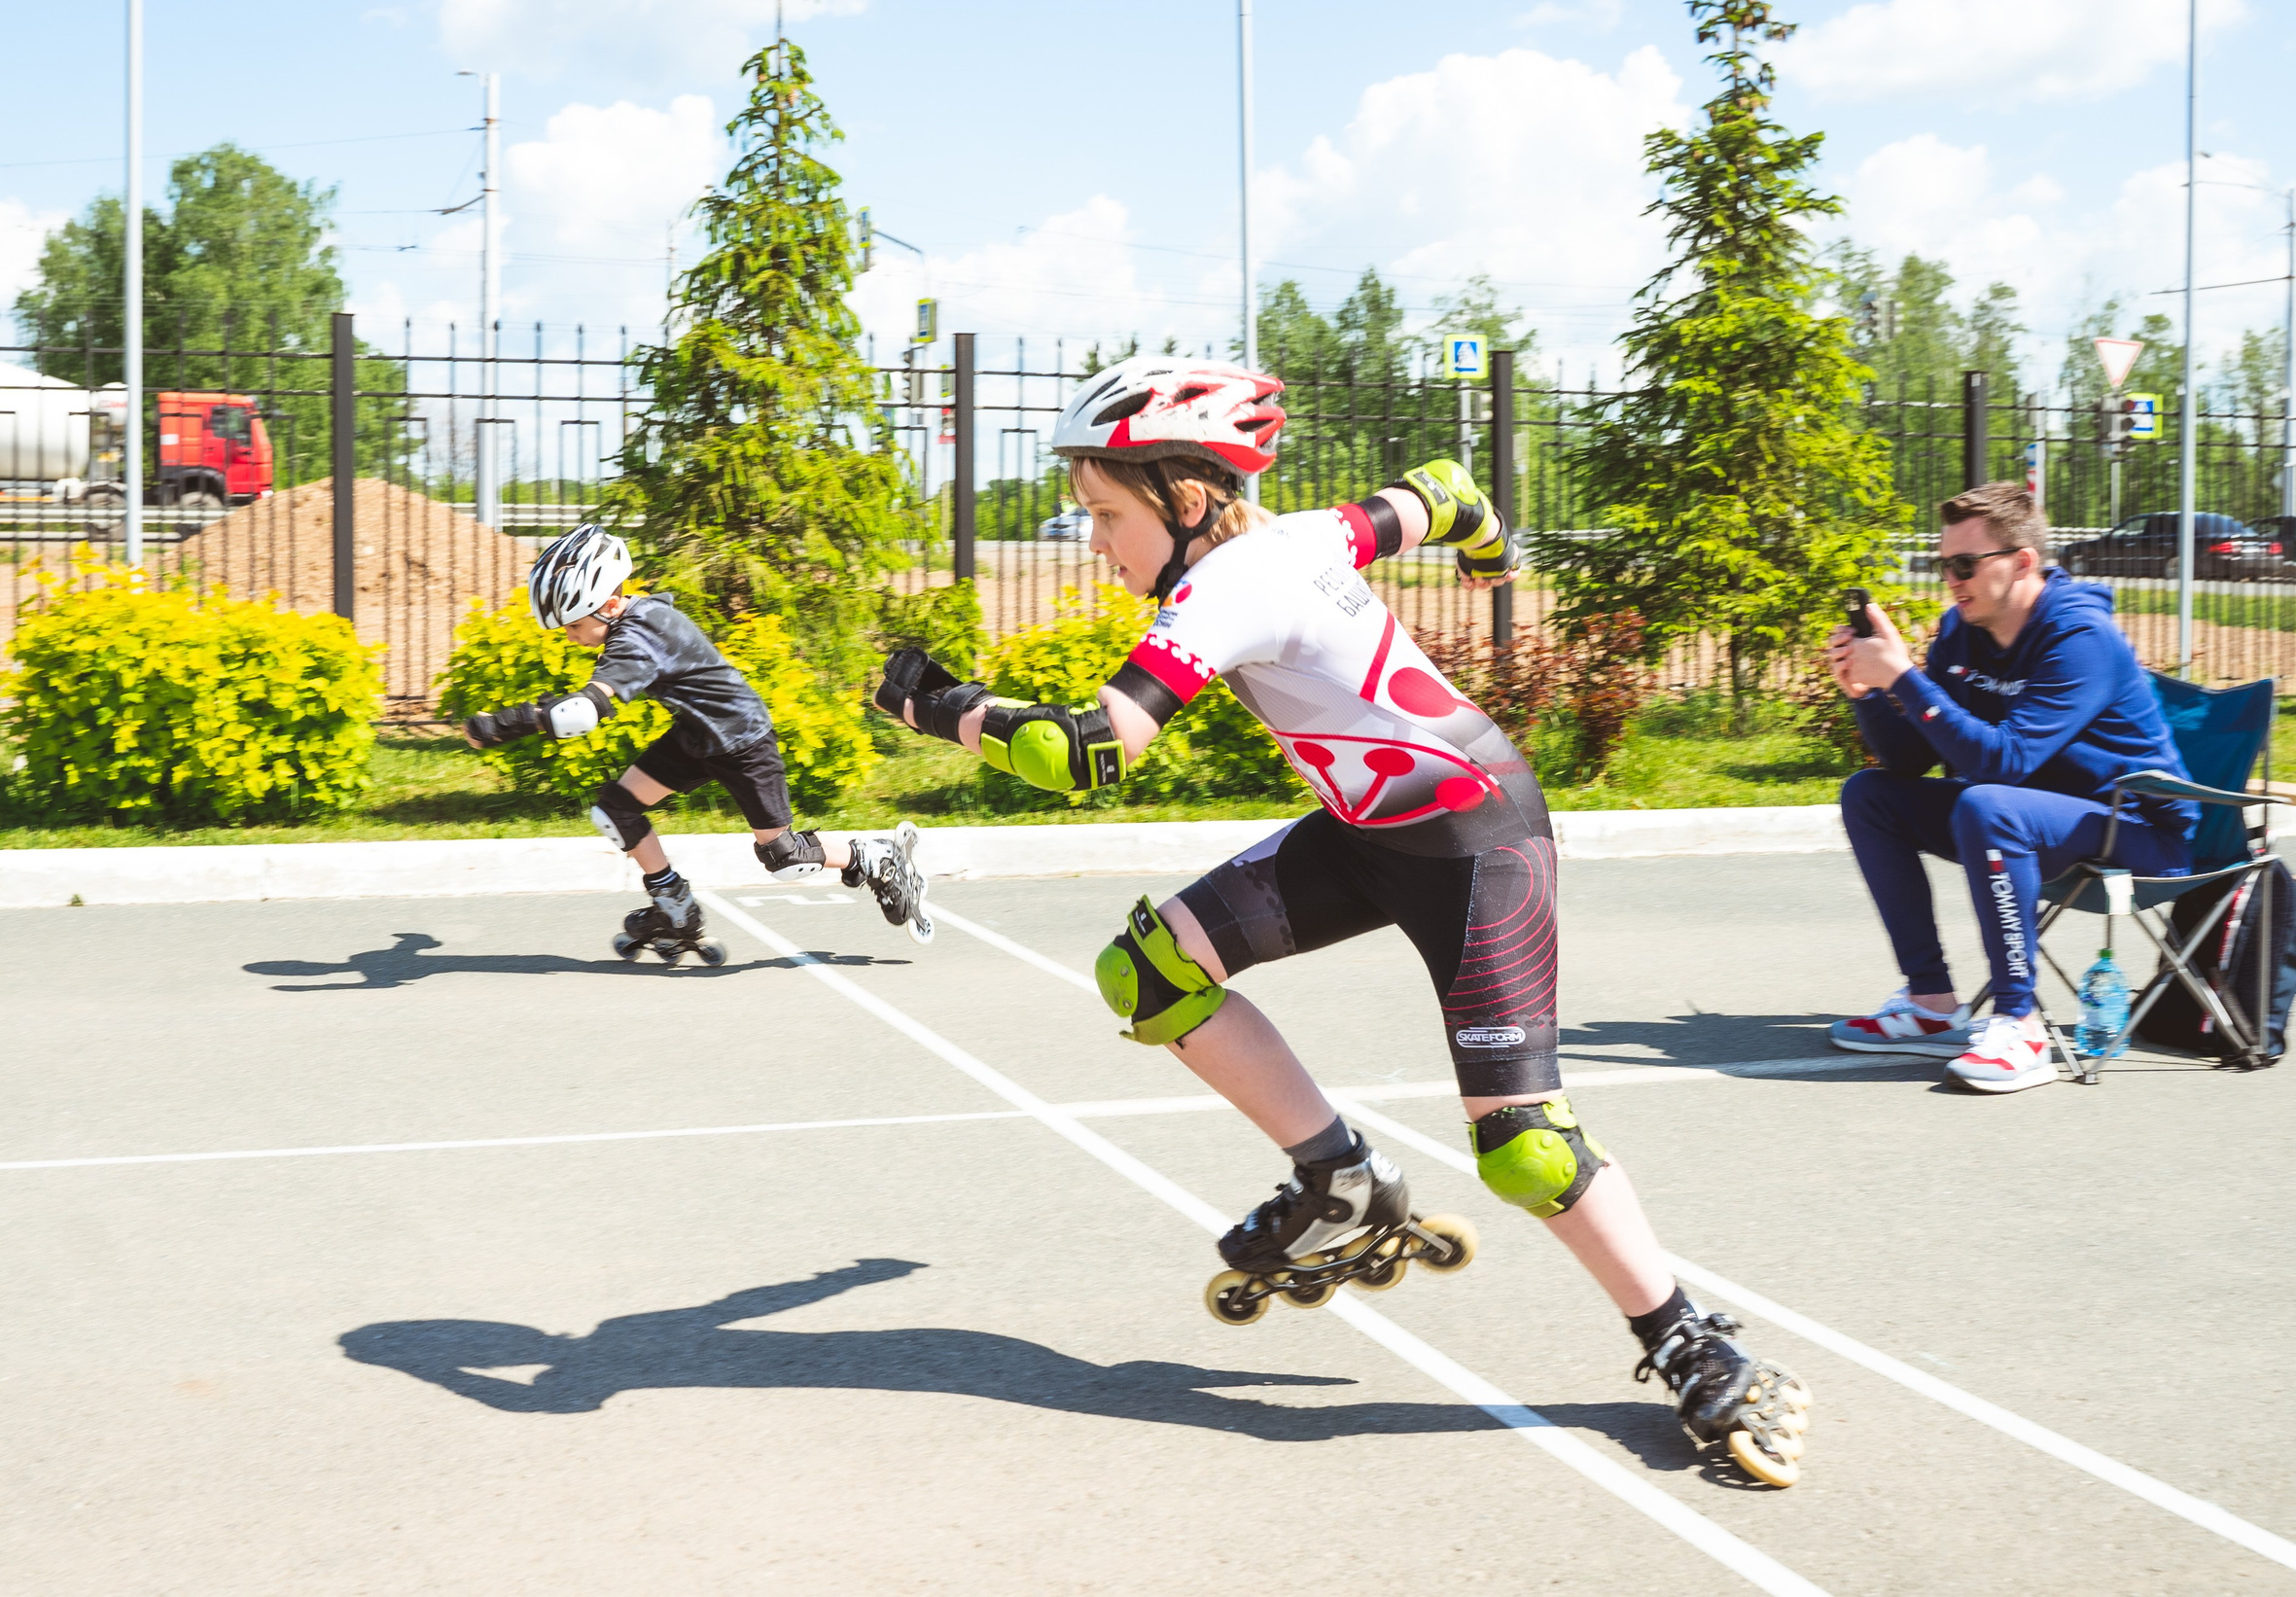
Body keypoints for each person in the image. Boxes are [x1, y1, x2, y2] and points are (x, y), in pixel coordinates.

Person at [872, 357, 1811, 1485]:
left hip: (1477, 847)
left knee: (1522, 1149)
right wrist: (1489, 551)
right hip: (1366, 832)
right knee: (1149, 973)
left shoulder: (1226, 587)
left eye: (1105, 515)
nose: (1094, 541)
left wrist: (937, 704)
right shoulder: (1307, 535)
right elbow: (1443, 488)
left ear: (1183, 500)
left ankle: (1689, 1340)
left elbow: (1086, 751)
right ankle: (1342, 1181)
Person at [1826, 481, 2198, 1092]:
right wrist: (1870, 693)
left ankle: (2019, 1024)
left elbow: (2004, 763)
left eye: (1966, 563)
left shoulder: (2081, 638)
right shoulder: (1962, 633)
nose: (1952, 577)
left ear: (2023, 562)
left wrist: (1905, 677)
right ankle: (1933, 1004)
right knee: (1870, 796)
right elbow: (1910, 760)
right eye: (1943, 563)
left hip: (2138, 830)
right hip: (2032, 816)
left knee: (1987, 804)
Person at [462, 524, 930, 956]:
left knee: (785, 858)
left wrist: (502, 725)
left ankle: (876, 857)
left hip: (744, 741)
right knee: (615, 810)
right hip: (698, 735)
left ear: (607, 604)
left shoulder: (636, 638)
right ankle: (675, 908)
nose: (569, 636)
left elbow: (581, 713)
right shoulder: (638, 618)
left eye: (573, 625)